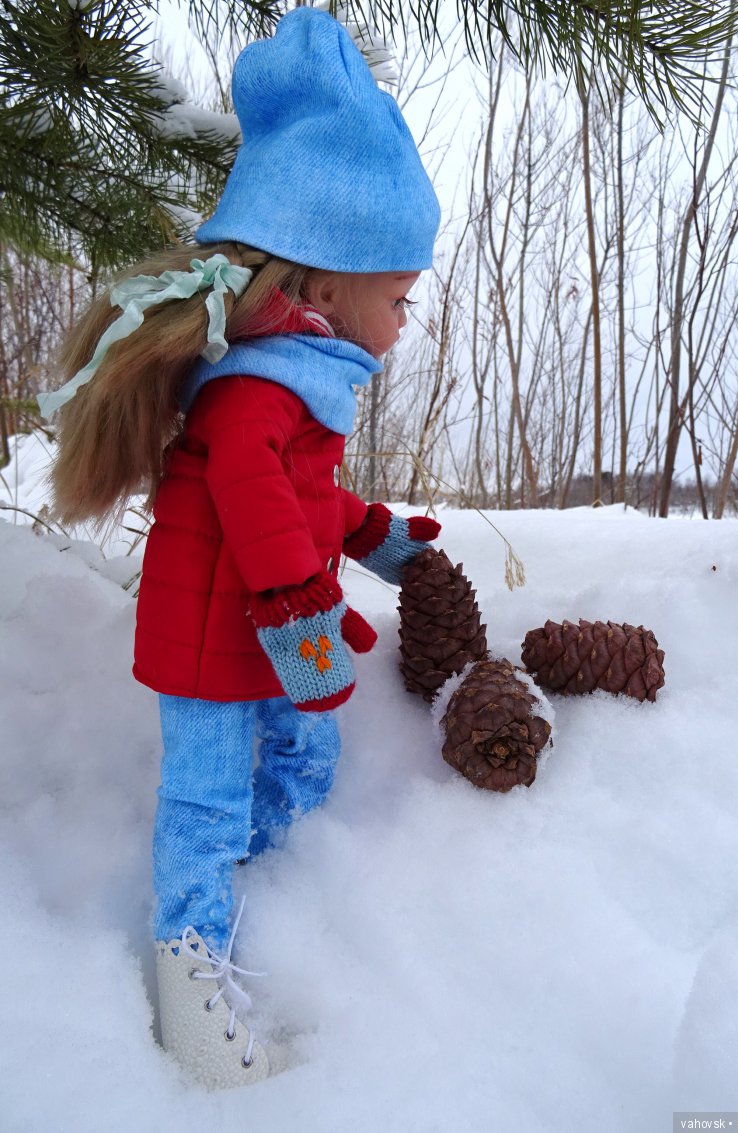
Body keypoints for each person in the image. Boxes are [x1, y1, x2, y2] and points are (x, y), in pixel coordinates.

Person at [39, 6, 441, 1091]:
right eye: (398, 297)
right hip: (219, 643)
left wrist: (375, 536)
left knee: (304, 756)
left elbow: (302, 500)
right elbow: (256, 501)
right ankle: (190, 971)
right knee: (208, 799)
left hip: (256, 624)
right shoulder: (255, 391)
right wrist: (309, 622)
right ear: (321, 282)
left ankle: (264, 883)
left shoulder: (293, 388)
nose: (404, 323)